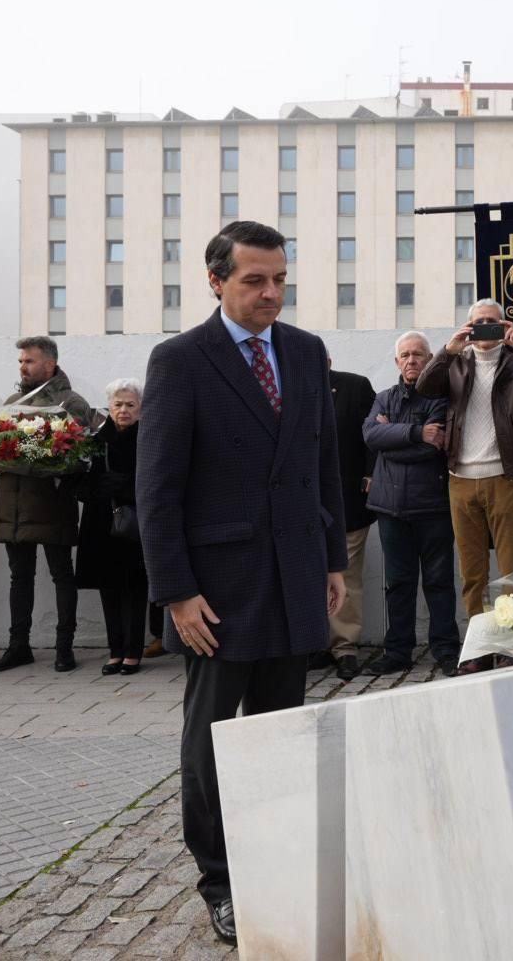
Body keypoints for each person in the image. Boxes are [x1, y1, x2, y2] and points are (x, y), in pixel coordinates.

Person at [136, 220, 347, 947]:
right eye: (255, 279)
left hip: (295, 575)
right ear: (216, 280)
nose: (271, 293)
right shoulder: (180, 361)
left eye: (280, 279)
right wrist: (175, 590)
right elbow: (156, 488)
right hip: (215, 590)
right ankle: (223, 882)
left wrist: (331, 560)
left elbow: (323, 466)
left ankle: (280, 864)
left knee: (284, 732)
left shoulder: (305, 352)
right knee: (213, 742)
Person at [416, 297, 513, 673]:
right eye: (478, 322)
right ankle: (479, 646)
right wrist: (447, 350)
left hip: (505, 477)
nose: (485, 329)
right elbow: (425, 388)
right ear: (468, 325)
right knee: (472, 572)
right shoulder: (456, 363)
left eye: (492, 322)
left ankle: (511, 643)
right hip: (461, 479)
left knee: (512, 568)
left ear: (504, 325)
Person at [0, 336, 91, 674]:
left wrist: (10, 461)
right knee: (20, 578)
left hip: (52, 505)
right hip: (13, 508)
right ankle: (18, 646)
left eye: (29, 361)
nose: (22, 367)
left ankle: (65, 648)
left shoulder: (70, 403)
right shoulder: (13, 400)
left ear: (49, 364)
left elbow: (73, 460)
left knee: (62, 575)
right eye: (20, 361)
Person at [362, 332, 460, 677]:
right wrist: (417, 432)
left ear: (430, 359)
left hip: (433, 507)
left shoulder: (441, 399)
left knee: (439, 582)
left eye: (418, 355)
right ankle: (397, 652)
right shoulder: (383, 398)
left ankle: (446, 649)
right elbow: (371, 437)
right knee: (398, 583)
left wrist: (394, 436)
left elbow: (436, 446)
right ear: (396, 361)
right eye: (405, 355)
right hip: (390, 509)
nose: (411, 361)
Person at [307, 360, 376, 681]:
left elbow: (373, 432)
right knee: (308, 577)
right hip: (302, 506)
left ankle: (344, 646)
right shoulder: (287, 390)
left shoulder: (355, 385)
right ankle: (316, 643)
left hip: (348, 501)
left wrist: (370, 473)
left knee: (346, 576)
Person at [76, 379, 148, 673]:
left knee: (135, 587)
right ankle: (114, 650)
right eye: (118, 404)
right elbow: (80, 479)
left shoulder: (148, 438)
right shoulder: (95, 439)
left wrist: (126, 486)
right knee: (108, 587)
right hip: (101, 523)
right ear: (108, 406)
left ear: (141, 408)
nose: (123, 410)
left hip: (134, 524)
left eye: (130, 405)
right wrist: (94, 487)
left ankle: (133, 652)